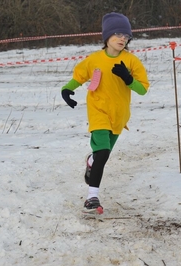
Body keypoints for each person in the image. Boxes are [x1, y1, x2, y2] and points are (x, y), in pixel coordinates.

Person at [61, 12, 150, 214]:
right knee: (102, 153)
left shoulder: (132, 61)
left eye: (126, 36)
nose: (122, 39)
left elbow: (143, 89)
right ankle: (91, 198)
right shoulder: (94, 60)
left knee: (102, 156)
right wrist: (66, 89)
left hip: (119, 117)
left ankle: (91, 161)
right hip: (98, 111)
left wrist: (128, 79)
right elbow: (79, 76)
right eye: (118, 34)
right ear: (107, 36)